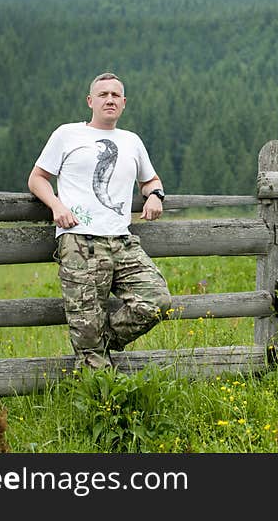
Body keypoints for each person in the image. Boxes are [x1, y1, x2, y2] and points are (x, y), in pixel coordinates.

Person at [28, 71, 172, 370]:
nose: (110, 100)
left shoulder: (132, 141)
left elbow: (150, 179)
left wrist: (155, 195)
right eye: (103, 94)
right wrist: (56, 206)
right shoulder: (67, 134)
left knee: (157, 301)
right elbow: (38, 178)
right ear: (90, 101)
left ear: (124, 103)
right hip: (80, 242)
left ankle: (96, 343)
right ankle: (100, 401)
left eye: (115, 95)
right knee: (88, 335)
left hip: (122, 242)